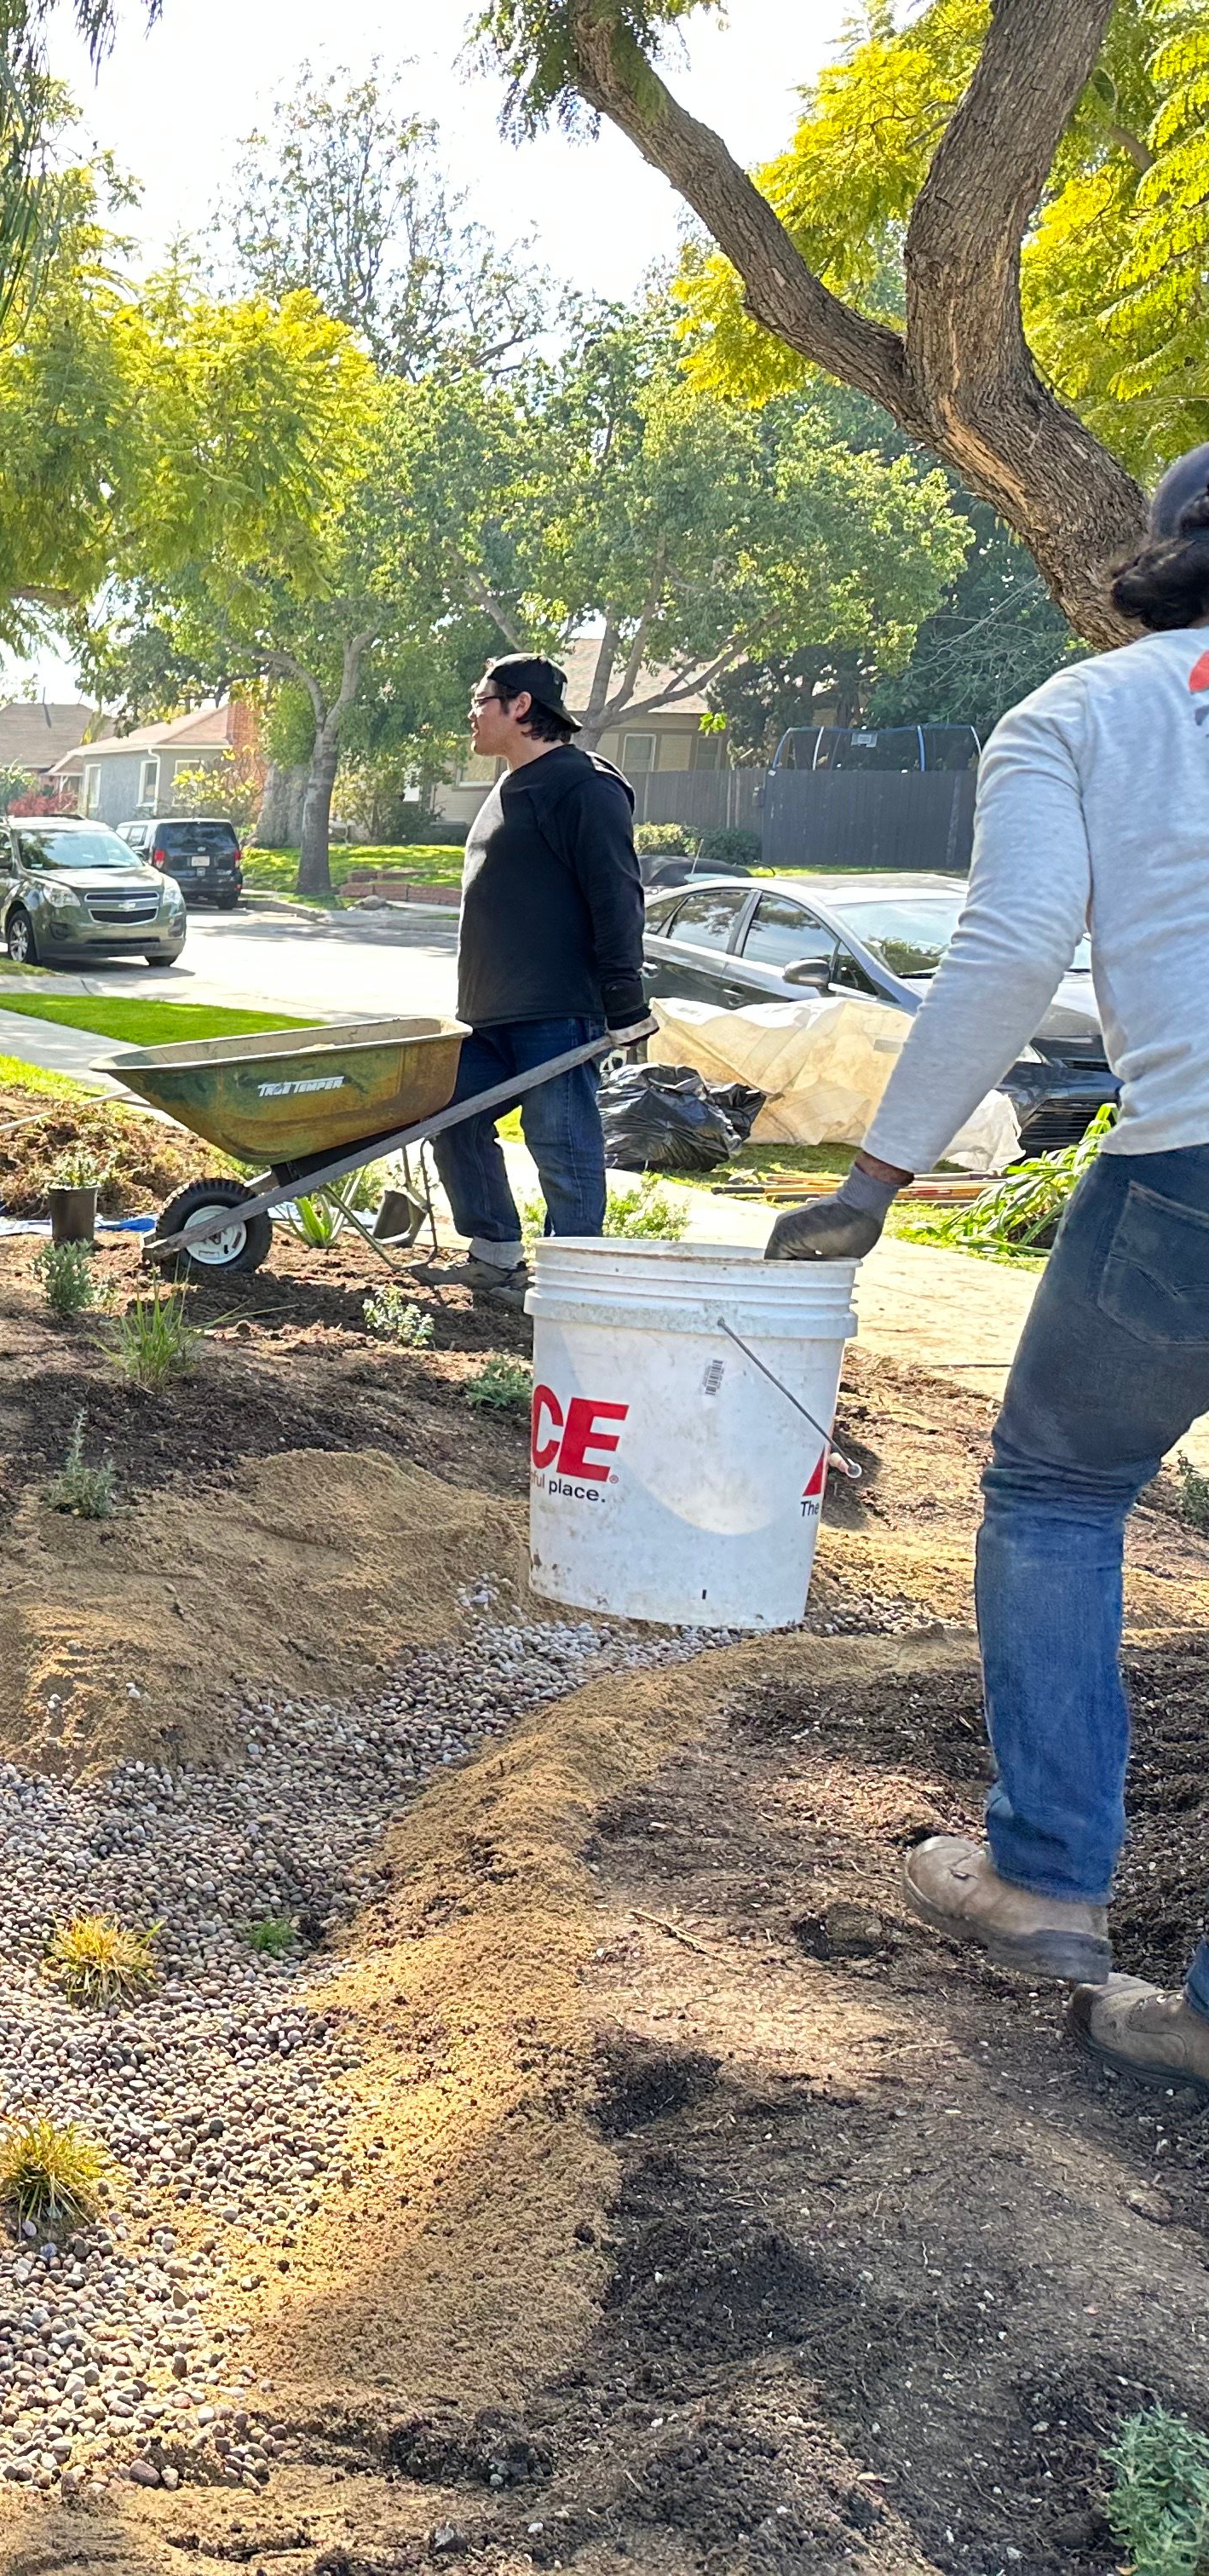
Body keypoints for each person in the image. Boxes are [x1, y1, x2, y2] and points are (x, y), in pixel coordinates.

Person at [768, 441, 1209, 2099]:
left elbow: (1016, 951)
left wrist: (876, 1178)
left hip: (1190, 1181)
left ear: (1159, 551)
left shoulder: (1081, 716)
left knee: (1056, 1488)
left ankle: (1042, 1879)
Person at [418, 654, 652, 1314]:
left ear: (521, 706)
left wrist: (622, 993)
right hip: (491, 1015)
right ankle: (494, 1255)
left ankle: (576, 1283)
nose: (473, 712)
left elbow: (616, 894)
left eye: (481, 699)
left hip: (557, 1010)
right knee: (449, 1114)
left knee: (561, 1140)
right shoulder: (510, 786)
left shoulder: (584, 787)